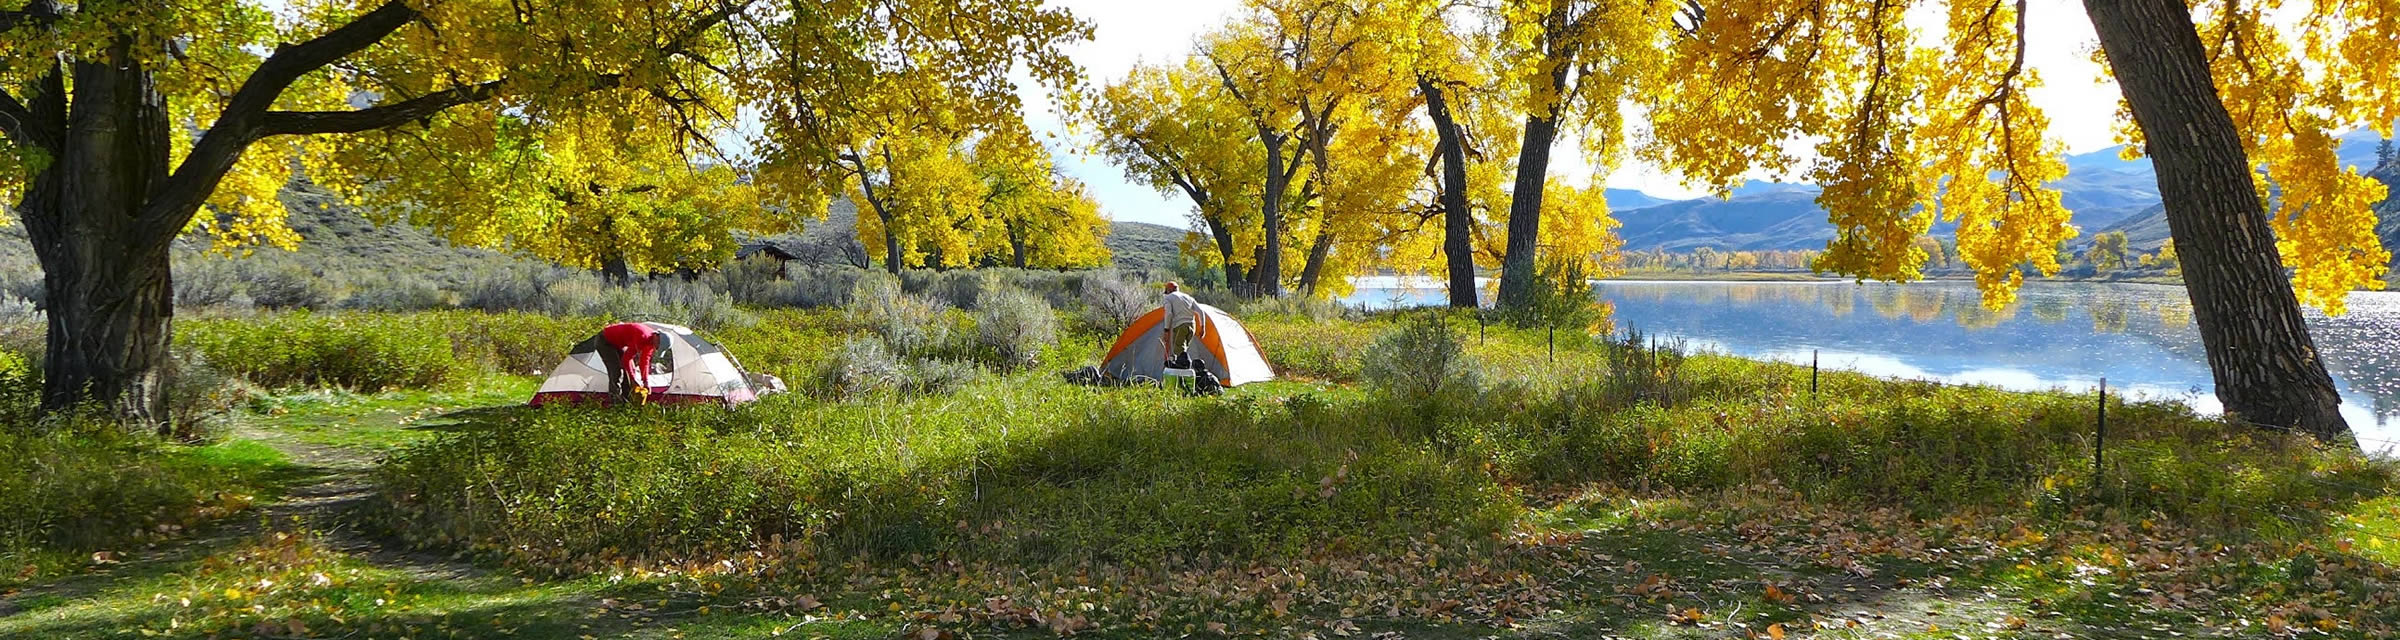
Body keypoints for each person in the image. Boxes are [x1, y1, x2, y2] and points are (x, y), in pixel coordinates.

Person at [599, 321, 660, 403]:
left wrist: (645, 382)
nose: (656, 347)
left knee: (627, 372)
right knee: (617, 371)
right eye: (658, 344)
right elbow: (627, 359)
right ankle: (616, 404)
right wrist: (633, 379)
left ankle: (626, 401)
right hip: (605, 340)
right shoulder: (643, 336)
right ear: (657, 336)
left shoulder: (651, 342)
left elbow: (644, 361)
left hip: (618, 344)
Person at [1159, 282, 1201, 369]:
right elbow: (1201, 311)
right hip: (1192, 326)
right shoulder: (1188, 297)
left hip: (1180, 325)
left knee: (1178, 348)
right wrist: (1203, 327)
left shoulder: (1169, 298)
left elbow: (1169, 314)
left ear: (1168, 291)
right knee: (1182, 348)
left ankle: (1185, 364)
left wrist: (1166, 329)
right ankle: (1180, 364)